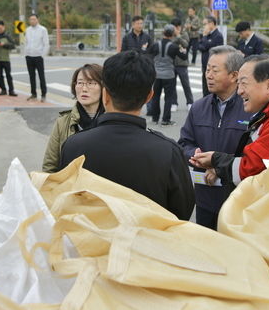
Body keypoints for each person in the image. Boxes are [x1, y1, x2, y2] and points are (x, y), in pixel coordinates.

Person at [59, 50, 195, 220]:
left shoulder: (73, 145)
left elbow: (64, 204)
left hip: (91, 243)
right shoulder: (169, 151)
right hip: (148, 243)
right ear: (149, 96)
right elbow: (182, 212)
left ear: (105, 94)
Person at [190, 55, 269, 188]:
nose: (239, 91)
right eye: (238, 84)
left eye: (244, 83)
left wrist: (215, 160)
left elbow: (248, 170)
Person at [178, 46, 251, 230]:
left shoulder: (250, 109)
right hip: (205, 198)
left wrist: (220, 167)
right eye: (207, 69)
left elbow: (255, 155)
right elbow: (184, 143)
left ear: (234, 75)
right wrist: (195, 156)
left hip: (239, 201)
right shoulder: (198, 108)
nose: (208, 75)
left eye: (215, 70)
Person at [42, 64, 104, 173]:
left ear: (103, 87)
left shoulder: (111, 121)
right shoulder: (62, 122)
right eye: (80, 83)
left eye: (91, 83)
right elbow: (50, 166)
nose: (84, 89)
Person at [148, 24, 187, 126]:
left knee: (155, 96)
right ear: (172, 34)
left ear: (163, 33)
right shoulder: (174, 47)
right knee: (168, 98)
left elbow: (147, 55)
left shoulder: (155, 45)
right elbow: (184, 57)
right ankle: (166, 119)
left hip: (156, 75)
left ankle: (155, 118)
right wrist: (183, 50)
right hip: (169, 75)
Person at [24, 13, 49, 102]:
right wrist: (26, 54)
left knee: (41, 76)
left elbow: (46, 44)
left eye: (34, 19)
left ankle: (43, 94)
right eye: (31, 19)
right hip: (29, 56)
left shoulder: (43, 30)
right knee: (31, 76)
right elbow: (26, 42)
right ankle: (33, 94)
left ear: (37, 20)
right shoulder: (27, 30)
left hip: (38, 56)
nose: (32, 21)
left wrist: (42, 55)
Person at [170, 17, 193, 111]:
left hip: (182, 63)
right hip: (171, 63)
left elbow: (186, 44)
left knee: (185, 84)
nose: (175, 29)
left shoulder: (184, 34)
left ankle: (190, 102)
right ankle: (174, 103)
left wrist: (178, 36)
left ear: (179, 27)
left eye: (176, 27)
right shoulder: (170, 34)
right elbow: (170, 44)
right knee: (172, 84)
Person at [197, 16, 224, 97]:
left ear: (211, 24)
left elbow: (205, 46)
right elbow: (200, 47)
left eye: (205, 24)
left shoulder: (217, 35)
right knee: (205, 87)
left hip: (213, 66)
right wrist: (205, 41)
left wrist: (204, 37)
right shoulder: (207, 35)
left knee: (212, 88)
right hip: (205, 65)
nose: (204, 27)